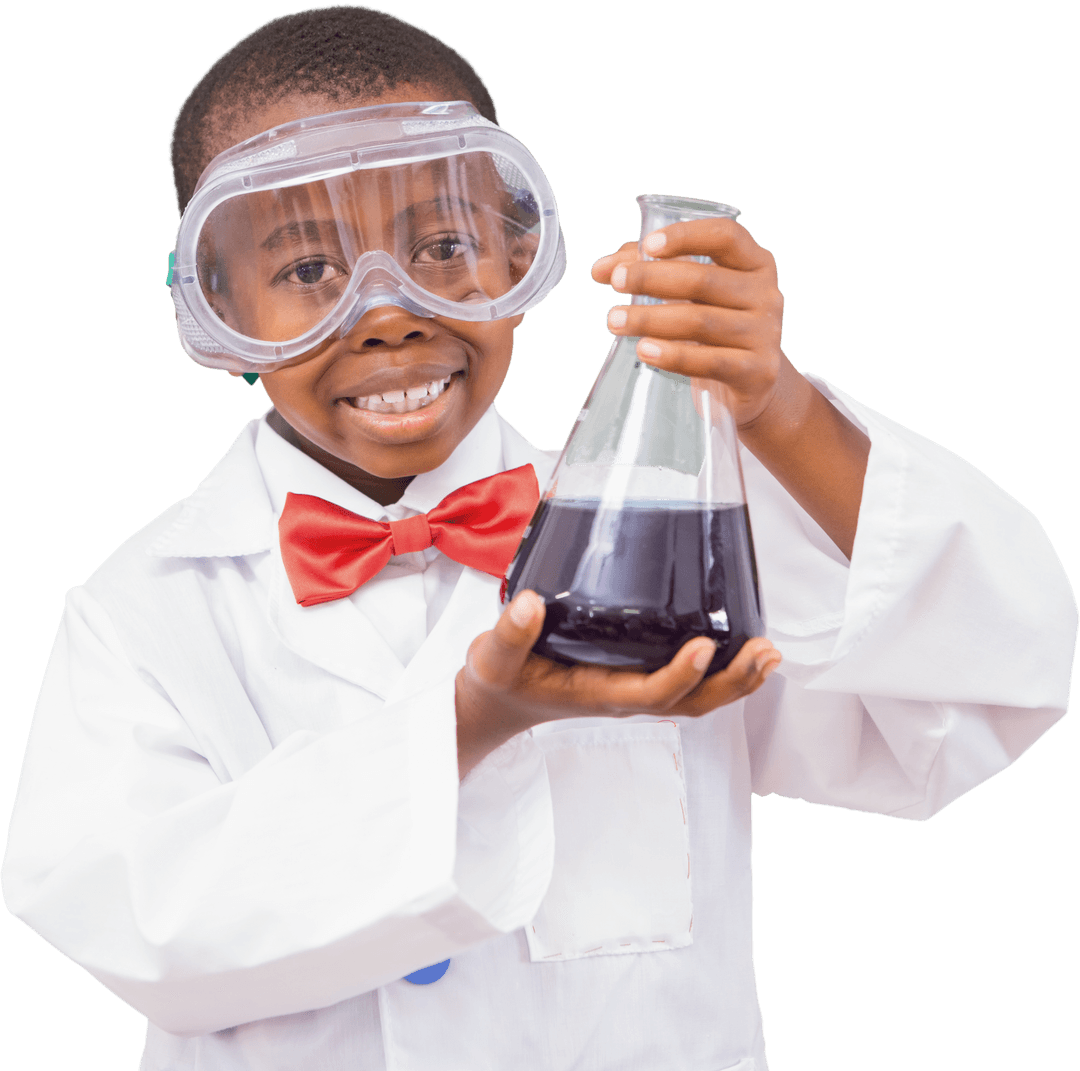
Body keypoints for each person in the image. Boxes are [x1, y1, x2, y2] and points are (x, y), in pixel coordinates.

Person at [2, 6, 1075, 1070]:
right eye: (308, 272)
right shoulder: (142, 609)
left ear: (522, 259)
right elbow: (135, 930)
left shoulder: (670, 521)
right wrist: (474, 724)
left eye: (443, 247)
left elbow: (975, 694)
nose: (388, 313)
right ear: (215, 312)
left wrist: (777, 409)